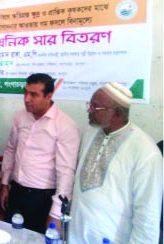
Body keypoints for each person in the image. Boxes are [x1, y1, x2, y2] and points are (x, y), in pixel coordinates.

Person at [69, 82, 162, 244]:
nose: (89, 110)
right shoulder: (91, 132)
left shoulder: (146, 152)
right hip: (76, 233)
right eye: (90, 105)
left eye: (95, 107)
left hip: (112, 238)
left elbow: (148, 217)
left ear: (117, 113)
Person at [0, 73, 81, 234]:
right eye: (25, 92)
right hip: (16, 191)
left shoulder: (65, 125)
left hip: (42, 198)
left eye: (34, 94)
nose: (27, 99)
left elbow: (66, 171)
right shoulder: (20, 116)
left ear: (49, 96)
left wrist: (56, 213)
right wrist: (4, 184)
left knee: (34, 239)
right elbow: (11, 149)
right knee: (10, 235)